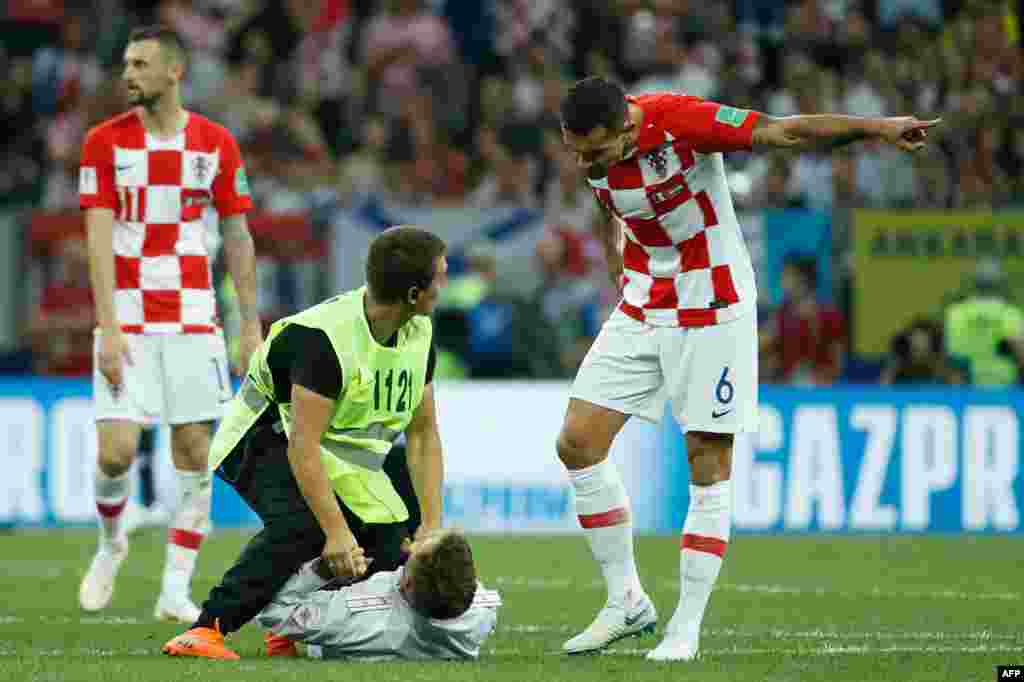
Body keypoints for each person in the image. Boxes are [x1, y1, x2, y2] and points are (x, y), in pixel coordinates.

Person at [556, 76, 940, 661]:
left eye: (596, 151)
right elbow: (613, 205)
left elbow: (786, 132)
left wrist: (877, 129)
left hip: (712, 300)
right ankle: (626, 601)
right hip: (644, 299)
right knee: (578, 443)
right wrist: (616, 264)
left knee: (707, 461)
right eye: (576, 150)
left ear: (629, 127)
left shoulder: (681, 121)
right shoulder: (595, 149)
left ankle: (685, 627)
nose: (585, 161)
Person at [163, 225, 448, 660]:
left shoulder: (419, 333)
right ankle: (206, 629)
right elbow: (303, 445)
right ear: (413, 293)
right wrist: (336, 534)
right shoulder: (322, 341)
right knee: (304, 526)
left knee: (393, 550)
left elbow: (423, 434)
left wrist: (430, 524)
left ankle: (291, 624)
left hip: (334, 453)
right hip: (260, 438)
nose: (444, 287)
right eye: (440, 278)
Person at [78, 25, 262, 622]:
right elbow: (97, 237)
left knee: (194, 448)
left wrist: (250, 327)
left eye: (139, 64)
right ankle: (111, 544)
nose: (127, 74)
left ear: (174, 72)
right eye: (125, 63)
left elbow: (238, 235)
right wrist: (107, 326)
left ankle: (175, 589)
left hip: (193, 319)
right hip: (127, 318)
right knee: (116, 452)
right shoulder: (103, 143)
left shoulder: (215, 144)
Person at [256, 529, 501, 661]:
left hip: (351, 626)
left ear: (406, 584)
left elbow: (273, 611)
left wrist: (323, 569)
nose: (412, 545)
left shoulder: (356, 613)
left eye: (412, 556)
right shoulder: (482, 610)